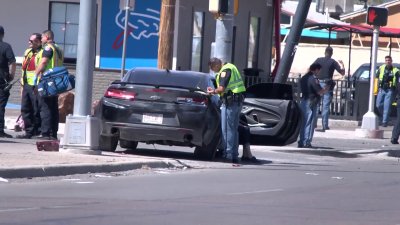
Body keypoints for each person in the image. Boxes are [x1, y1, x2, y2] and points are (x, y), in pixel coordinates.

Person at [207, 57, 246, 164]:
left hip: (230, 103)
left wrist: (212, 92)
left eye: (213, 69)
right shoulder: (231, 66)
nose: (214, 71)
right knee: (233, 129)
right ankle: (234, 155)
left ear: (216, 65)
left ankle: (228, 155)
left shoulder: (225, 71)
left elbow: (221, 89)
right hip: (236, 102)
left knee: (227, 130)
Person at [34, 30, 64, 140]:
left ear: (47, 37)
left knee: (45, 107)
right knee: (53, 107)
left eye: (42, 37)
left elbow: (43, 62)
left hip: (46, 81)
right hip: (56, 82)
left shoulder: (48, 48)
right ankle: (53, 133)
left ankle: (45, 132)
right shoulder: (59, 48)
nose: (41, 39)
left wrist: (35, 75)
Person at [16, 33, 43, 139]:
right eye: (29, 40)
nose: (29, 43)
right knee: (25, 108)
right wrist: (22, 86)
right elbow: (24, 69)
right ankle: (28, 131)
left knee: (36, 108)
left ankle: (37, 130)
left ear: (38, 42)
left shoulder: (42, 52)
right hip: (27, 83)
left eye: (31, 41)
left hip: (36, 84)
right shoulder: (28, 52)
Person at [298, 63, 330, 148]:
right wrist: (327, 88)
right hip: (311, 101)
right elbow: (319, 91)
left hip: (304, 100)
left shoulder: (304, 78)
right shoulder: (313, 79)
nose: (319, 72)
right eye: (319, 70)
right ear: (316, 69)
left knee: (304, 122)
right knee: (310, 122)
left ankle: (301, 141)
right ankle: (306, 142)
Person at [313, 46, 345, 132]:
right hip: (327, 85)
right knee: (325, 106)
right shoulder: (333, 62)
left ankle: (313, 124)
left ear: (325, 52)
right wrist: (342, 64)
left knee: (316, 105)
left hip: (318, 84)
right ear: (331, 53)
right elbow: (342, 73)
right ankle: (324, 125)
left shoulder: (318, 60)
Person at [0, 25, 16, 138]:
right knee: (0, 105)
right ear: (3, 35)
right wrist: (11, 75)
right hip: (2, 80)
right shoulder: (5, 47)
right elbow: (12, 62)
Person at [376, 55, 399, 127]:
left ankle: (384, 122)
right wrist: (376, 88)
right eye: (386, 60)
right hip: (382, 89)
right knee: (378, 105)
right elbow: (376, 78)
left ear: (391, 61)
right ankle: (385, 116)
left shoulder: (395, 70)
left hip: (390, 90)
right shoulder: (381, 68)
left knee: (387, 106)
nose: (387, 61)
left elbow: (398, 81)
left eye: (389, 60)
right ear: (385, 61)